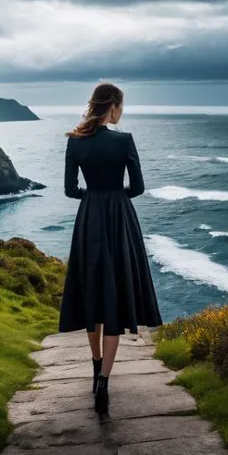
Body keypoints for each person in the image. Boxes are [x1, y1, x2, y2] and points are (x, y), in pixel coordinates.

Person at [59, 82, 162, 414]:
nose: (122, 113)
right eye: (122, 107)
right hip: (119, 221)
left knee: (93, 293)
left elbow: (69, 190)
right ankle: (104, 381)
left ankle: (95, 365)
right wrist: (116, 198)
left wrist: (93, 199)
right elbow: (139, 187)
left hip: (89, 220)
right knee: (115, 296)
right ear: (113, 106)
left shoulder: (75, 143)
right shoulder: (124, 141)